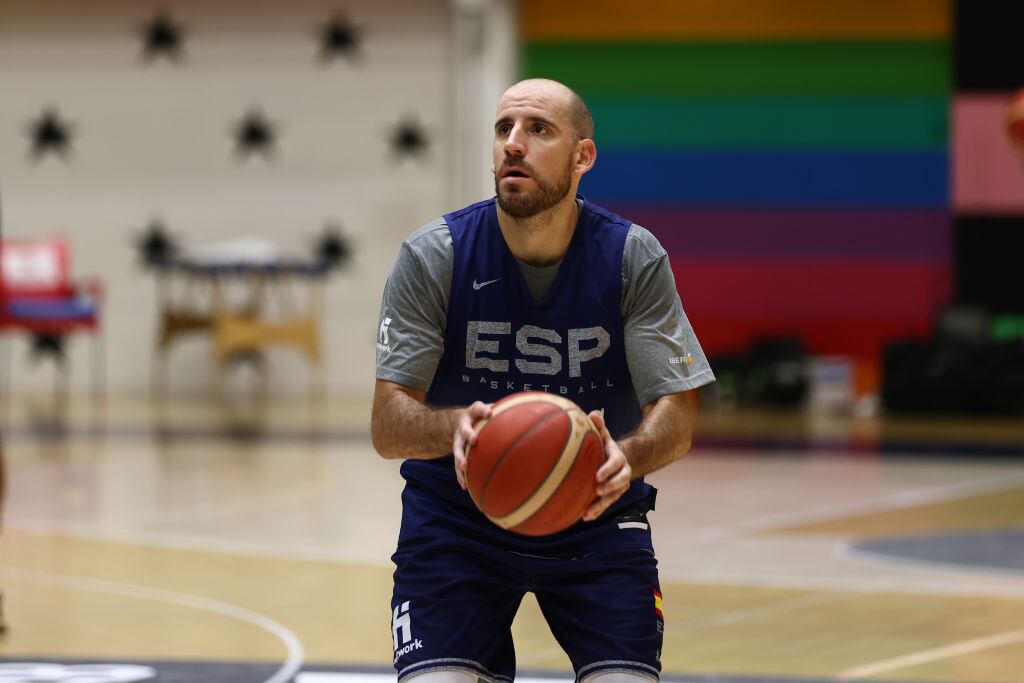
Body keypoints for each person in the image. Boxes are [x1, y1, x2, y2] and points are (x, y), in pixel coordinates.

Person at [372, 78, 715, 682]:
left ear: (583, 157)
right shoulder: (435, 255)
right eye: (504, 128)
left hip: (597, 521)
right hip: (455, 527)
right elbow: (387, 425)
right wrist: (462, 425)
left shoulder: (633, 257)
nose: (513, 144)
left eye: (538, 129)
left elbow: (679, 416)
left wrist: (624, 458)